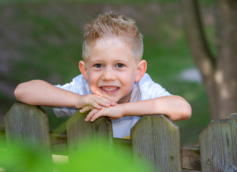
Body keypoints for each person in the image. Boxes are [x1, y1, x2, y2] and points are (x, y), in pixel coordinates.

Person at [14, 12, 191, 139]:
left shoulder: (143, 89)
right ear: (85, 71)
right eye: (98, 65)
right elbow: (24, 91)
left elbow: (182, 108)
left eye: (119, 65)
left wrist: (122, 110)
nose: (107, 76)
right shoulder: (83, 89)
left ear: (138, 71)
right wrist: (78, 100)